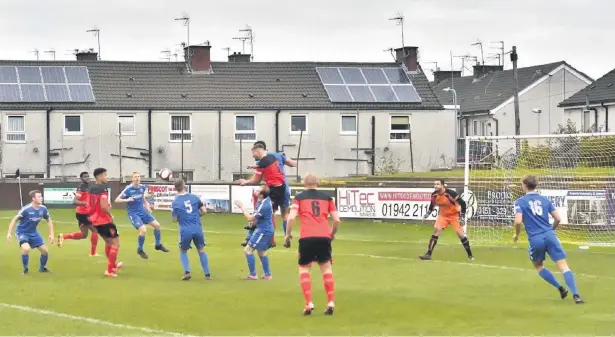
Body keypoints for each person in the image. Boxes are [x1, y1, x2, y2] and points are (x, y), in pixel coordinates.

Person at [513, 175, 584, 304]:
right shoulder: (545, 200)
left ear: (524, 185)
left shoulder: (520, 202)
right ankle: (576, 295)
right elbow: (558, 218)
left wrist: (516, 235)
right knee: (564, 266)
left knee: (539, 266)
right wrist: (551, 230)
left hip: (535, 239)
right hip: (550, 235)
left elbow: (518, 221)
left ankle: (560, 288)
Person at [285, 173, 340, 316]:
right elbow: (337, 220)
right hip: (324, 237)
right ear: (318, 183)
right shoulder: (327, 198)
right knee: (326, 268)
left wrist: (287, 234)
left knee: (304, 268)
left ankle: (309, 303)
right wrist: (332, 234)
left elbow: (291, 218)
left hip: (307, 237)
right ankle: (330, 302)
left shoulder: (299, 198)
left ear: (304, 184)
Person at [236, 143, 290, 247]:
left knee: (267, 213)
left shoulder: (266, 160)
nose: (253, 156)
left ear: (257, 151)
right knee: (267, 210)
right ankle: (254, 234)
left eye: (253, 154)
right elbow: (257, 179)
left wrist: (247, 180)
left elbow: (257, 178)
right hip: (278, 187)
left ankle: (269, 240)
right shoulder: (271, 158)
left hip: (276, 189)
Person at [115, 172, 169, 259]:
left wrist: (147, 206)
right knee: (143, 230)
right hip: (133, 214)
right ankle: (140, 249)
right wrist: (127, 199)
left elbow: (143, 198)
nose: (137, 178)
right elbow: (117, 200)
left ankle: (158, 245)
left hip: (143, 212)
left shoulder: (142, 187)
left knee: (157, 226)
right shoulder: (128, 189)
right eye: (135, 177)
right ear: (132, 179)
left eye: (138, 177)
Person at [247, 140, 296, 235]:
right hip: (284, 187)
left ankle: (270, 238)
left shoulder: (261, 160)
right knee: (285, 214)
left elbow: (256, 179)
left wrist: (246, 182)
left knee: (270, 212)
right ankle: (287, 236)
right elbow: (293, 164)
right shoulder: (277, 155)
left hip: (273, 188)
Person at [419, 179, 473, 261]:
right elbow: (432, 205)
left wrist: (462, 216)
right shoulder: (434, 195)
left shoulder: (451, 193)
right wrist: (427, 214)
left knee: (460, 234)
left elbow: (463, 204)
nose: (435, 186)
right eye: (434, 184)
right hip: (443, 216)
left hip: (454, 216)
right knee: (436, 230)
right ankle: (428, 254)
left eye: (437, 184)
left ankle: (470, 255)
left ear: (443, 185)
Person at [171, 179, 212, 281]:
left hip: (185, 229)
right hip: (197, 228)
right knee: (201, 250)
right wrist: (196, 216)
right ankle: (207, 275)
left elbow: (174, 219)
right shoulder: (194, 197)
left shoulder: (175, 202)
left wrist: (182, 217)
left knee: (183, 250)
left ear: (175, 188)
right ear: (185, 186)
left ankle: (187, 272)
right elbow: (204, 211)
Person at [6, 190, 54, 274]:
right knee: (26, 248)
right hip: (22, 232)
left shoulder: (43, 209)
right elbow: (14, 220)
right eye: (39, 197)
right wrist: (9, 233)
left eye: (41, 196)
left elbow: (49, 220)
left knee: (45, 251)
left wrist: (51, 234)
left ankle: (42, 269)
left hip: (34, 233)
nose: (41, 198)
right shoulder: (26, 209)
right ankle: (25, 270)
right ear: (33, 198)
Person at [89, 167, 123, 277]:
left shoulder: (92, 188)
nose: (107, 177)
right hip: (104, 220)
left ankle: (112, 265)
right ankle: (109, 270)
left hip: (95, 221)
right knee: (115, 244)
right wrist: (110, 214)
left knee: (108, 243)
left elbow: (90, 204)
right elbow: (104, 207)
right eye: (105, 175)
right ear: (99, 176)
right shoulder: (102, 189)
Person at [235, 185, 274, 280]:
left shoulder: (264, 206)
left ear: (261, 195)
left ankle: (253, 275)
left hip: (264, 231)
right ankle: (267, 275)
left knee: (247, 250)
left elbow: (250, 218)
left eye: (258, 190)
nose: (256, 190)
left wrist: (242, 207)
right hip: (266, 229)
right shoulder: (264, 199)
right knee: (261, 252)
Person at [57, 171, 99, 256]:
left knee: (83, 235)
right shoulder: (81, 188)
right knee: (95, 230)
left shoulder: (89, 187)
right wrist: (85, 203)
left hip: (85, 213)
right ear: (81, 179)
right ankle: (93, 253)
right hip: (83, 214)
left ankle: (63, 236)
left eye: (88, 176)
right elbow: (74, 201)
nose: (87, 178)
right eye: (84, 176)